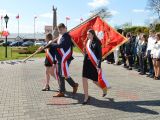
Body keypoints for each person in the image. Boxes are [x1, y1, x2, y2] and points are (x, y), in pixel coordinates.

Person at [46, 23, 78, 97]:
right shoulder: (61, 36)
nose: (59, 31)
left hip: (65, 58)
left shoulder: (66, 36)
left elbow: (61, 45)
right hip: (60, 58)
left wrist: (51, 44)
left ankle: (73, 85)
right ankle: (62, 91)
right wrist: (45, 46)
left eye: (60, 30)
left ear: (64, 28)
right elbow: (55, 43)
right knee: (61, 75)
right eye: (59, 30)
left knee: (63, 74)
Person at [82, 29, 110, 105]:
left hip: (93, 64)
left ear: (93, 35)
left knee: (95, 81)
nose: (87, 36)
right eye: (87, 34)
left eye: (89, 34)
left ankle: (104, 88)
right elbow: (86, 52)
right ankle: (86, 97)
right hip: (86, 63)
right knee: (84, 79)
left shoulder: (97, 42)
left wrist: (98, 66)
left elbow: (99, 56)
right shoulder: (87, 42)